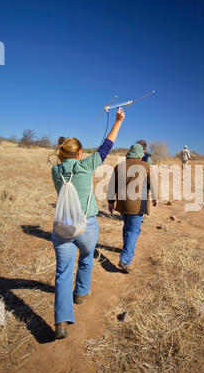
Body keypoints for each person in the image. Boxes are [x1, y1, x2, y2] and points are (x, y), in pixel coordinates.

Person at [51, 108, 125, 340]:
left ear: (61, 154)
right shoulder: (86, 166)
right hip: (87, 225)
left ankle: (61, 321)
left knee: (62, 272)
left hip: (62, 227)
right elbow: (106, 146)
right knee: (86, 257)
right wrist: (118, 121)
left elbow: (64, 160)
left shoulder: (55, 171)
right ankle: (81, 293)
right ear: (80, 153)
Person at [107, 143, 157, 273]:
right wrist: (155, 197)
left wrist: (111, 202)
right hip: (137, 205)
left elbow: (112, 186)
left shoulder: (119, 166)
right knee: (134, 230)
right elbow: (153, 184)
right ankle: (125, 259)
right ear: (140, 154)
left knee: (127, 227)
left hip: (122, 204)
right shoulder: (146, 166)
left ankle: (125, 249)